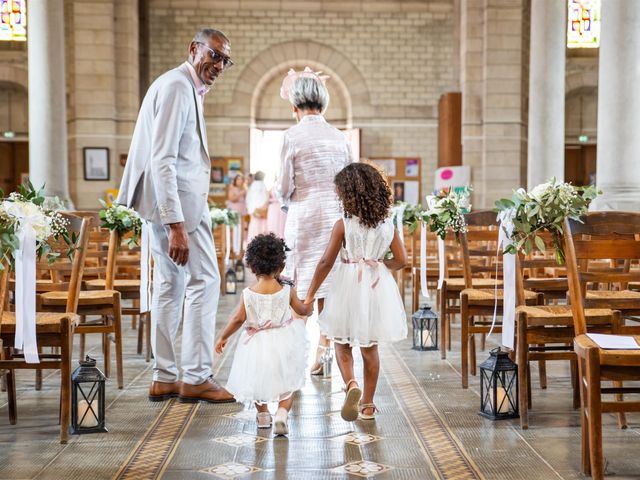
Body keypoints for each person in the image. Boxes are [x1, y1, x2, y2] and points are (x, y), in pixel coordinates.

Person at [117, 28, 235, 404]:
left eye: (224, 61)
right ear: (194, 49)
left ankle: (165, 375)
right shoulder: (176, 87)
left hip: (170, 206)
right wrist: (176, 225)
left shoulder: (183, 87)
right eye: (214, 55)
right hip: (177, 210)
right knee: (205, 281)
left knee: (170, 285)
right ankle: (197, 376)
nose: (218, 65)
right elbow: (162, 158)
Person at [305, 163, 408, 421]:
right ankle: (369, 405)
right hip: (376, 285)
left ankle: (351, 384)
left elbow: (326, 263)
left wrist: (310, 294)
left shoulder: (344, 225)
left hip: (347, 284)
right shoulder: (387, 225)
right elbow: (402, 260)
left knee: (341, 341)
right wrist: (381, 265)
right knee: (370, 348)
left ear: (350, 194)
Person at [275, 67, 352, 375]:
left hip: (303, 217)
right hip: (334, 218)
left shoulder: (291, 136)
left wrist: (285, 201)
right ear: (324, 102)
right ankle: (321, 356)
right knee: (329, 288)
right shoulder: (340, 137)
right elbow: (349, 181)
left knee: (301, 287)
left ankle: (295, 360)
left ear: (295, 105)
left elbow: (284, 185)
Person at [215, 233, 312, 435]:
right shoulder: (287, 291)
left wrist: (224, 337)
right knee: (288, 382)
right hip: (285, 340)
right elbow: (302, 311)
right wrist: (309, 307)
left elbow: (237, 319)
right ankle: (282, 414)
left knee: (258, 380)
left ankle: (263, 415)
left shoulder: (248, 294)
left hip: (257, 344)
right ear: (281, 266)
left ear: (252, 266)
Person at [246, 171, 269, 241]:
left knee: (254, 229)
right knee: (262, 229)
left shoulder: (252, 186)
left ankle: (252, 245)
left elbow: (249, 199)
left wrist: (251, 211)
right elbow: (265, 198)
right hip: (261, 211)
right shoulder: (262, 185)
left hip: (254, 211)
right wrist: (263, 208)